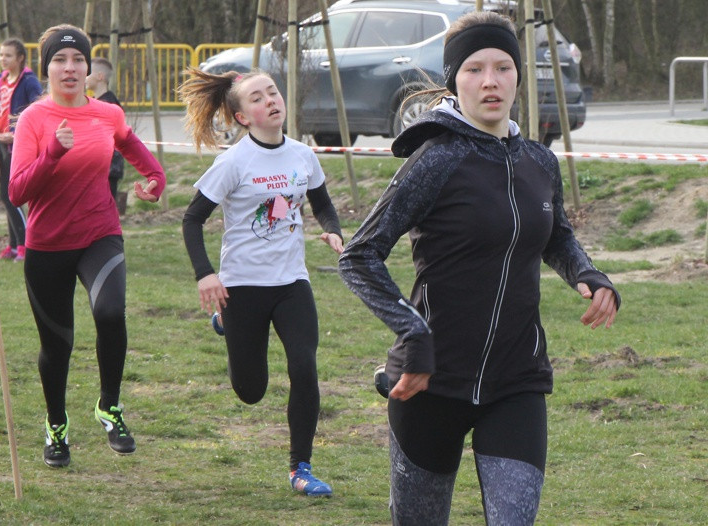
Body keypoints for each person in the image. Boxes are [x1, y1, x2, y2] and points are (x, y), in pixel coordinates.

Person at [338, 11, 620, 525]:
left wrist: (587, 273)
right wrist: (412, 331)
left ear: (517, 76)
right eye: (474, 69)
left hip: (517, 380)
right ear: (454, 80)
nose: (490, 81)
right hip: (430, 381)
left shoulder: (540, 161)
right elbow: (358, 255)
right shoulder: (435, 160)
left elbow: (556, 234)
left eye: (502, 67)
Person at [179, 67, 344, 496]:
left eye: (273, 92)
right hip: (242, 287)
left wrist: (332, 230)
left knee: (304, 367)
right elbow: (192, 220)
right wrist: (205, 274)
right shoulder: (234, 162)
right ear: (242, 117)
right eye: (257, 98)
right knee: (251, 391)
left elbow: (323, 204)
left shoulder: (303, 155)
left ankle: (300, 468)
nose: (270, 100)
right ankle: (225, 321)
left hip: (291, 282)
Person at [9, 24, 166, 468]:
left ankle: (109, 407)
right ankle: (56, 425)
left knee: (111, 312)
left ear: (88, 68)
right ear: (47, 69)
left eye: (78, 59)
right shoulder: (34, 120)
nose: (70, 68)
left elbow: (133, 147)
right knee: (57, 346)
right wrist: (52, 153)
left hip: (100, 232)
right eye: (60, 60)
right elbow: (17, 191)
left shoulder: (107, 114)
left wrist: (155, 178)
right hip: (48, 244)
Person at [0, 37, 43, 261]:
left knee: (11, 195)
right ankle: (14, 245)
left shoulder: (29, 82)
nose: (3, 59)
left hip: (17, 145)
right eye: (1, 55)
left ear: (20, 58)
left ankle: (25, 244)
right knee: (5, 195)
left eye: (8, 55)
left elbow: (38, 110)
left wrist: (17, 134)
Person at [85, 57, 125, 200]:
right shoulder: (97, 102)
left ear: (100, 76)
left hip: (107, 169)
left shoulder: (108, 105)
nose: (84, 76)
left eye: (88, 73)